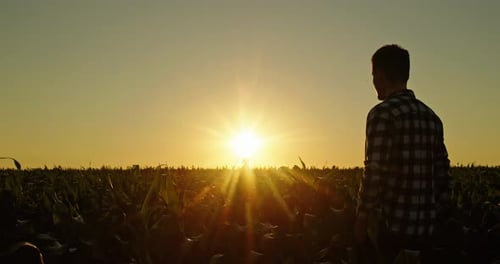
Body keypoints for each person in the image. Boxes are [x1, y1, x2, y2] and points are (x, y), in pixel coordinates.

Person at [354, 44, 451, 263]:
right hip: (426, 233)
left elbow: (374, 173)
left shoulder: (381, 115)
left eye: (373, 75)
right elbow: (443, 175)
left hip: (392, 231)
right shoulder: (432, 117)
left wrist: (361, 219)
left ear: (380, 76)